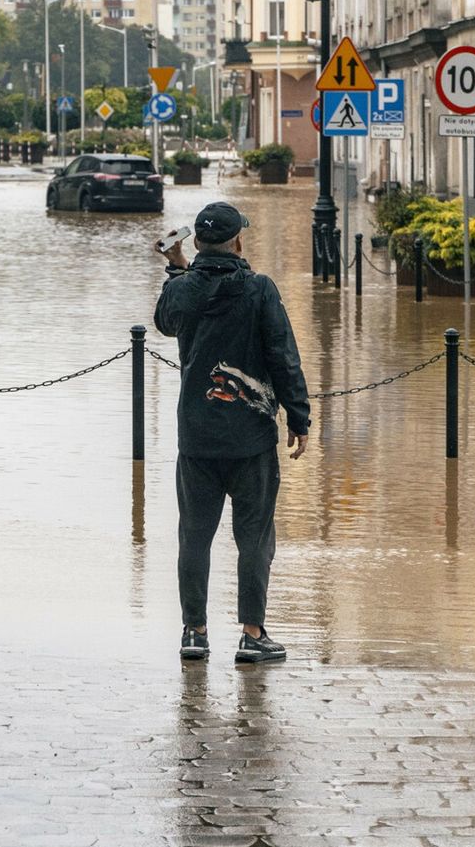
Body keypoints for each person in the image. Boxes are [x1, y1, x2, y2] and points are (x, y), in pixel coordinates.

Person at [153, 201, 311, 665]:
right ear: (239, 241)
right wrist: (299, 417)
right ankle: (252, 634)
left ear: (197, 244)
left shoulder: (183, 290)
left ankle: (194, 633)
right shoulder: (259, 289)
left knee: (194, 536)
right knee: (255, 538)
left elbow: (166, 321)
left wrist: (177, 271)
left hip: (197, 437)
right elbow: (283, 355)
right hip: (251, 438)